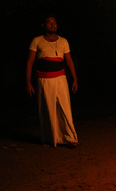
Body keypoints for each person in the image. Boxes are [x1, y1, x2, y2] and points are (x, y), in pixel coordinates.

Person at [26, 16, 80, 148]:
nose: (53, 24)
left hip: (61, 79)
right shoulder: (37, 41)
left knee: (65, 108)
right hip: (43, 79)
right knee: (47, 108)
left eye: (55, 22)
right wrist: (28, 82)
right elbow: (30, 62)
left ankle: (70, 138)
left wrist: (75, 79)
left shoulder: (63, 41)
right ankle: (49, 139)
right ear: (43, 25)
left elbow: (69, 61)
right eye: (49, 22)